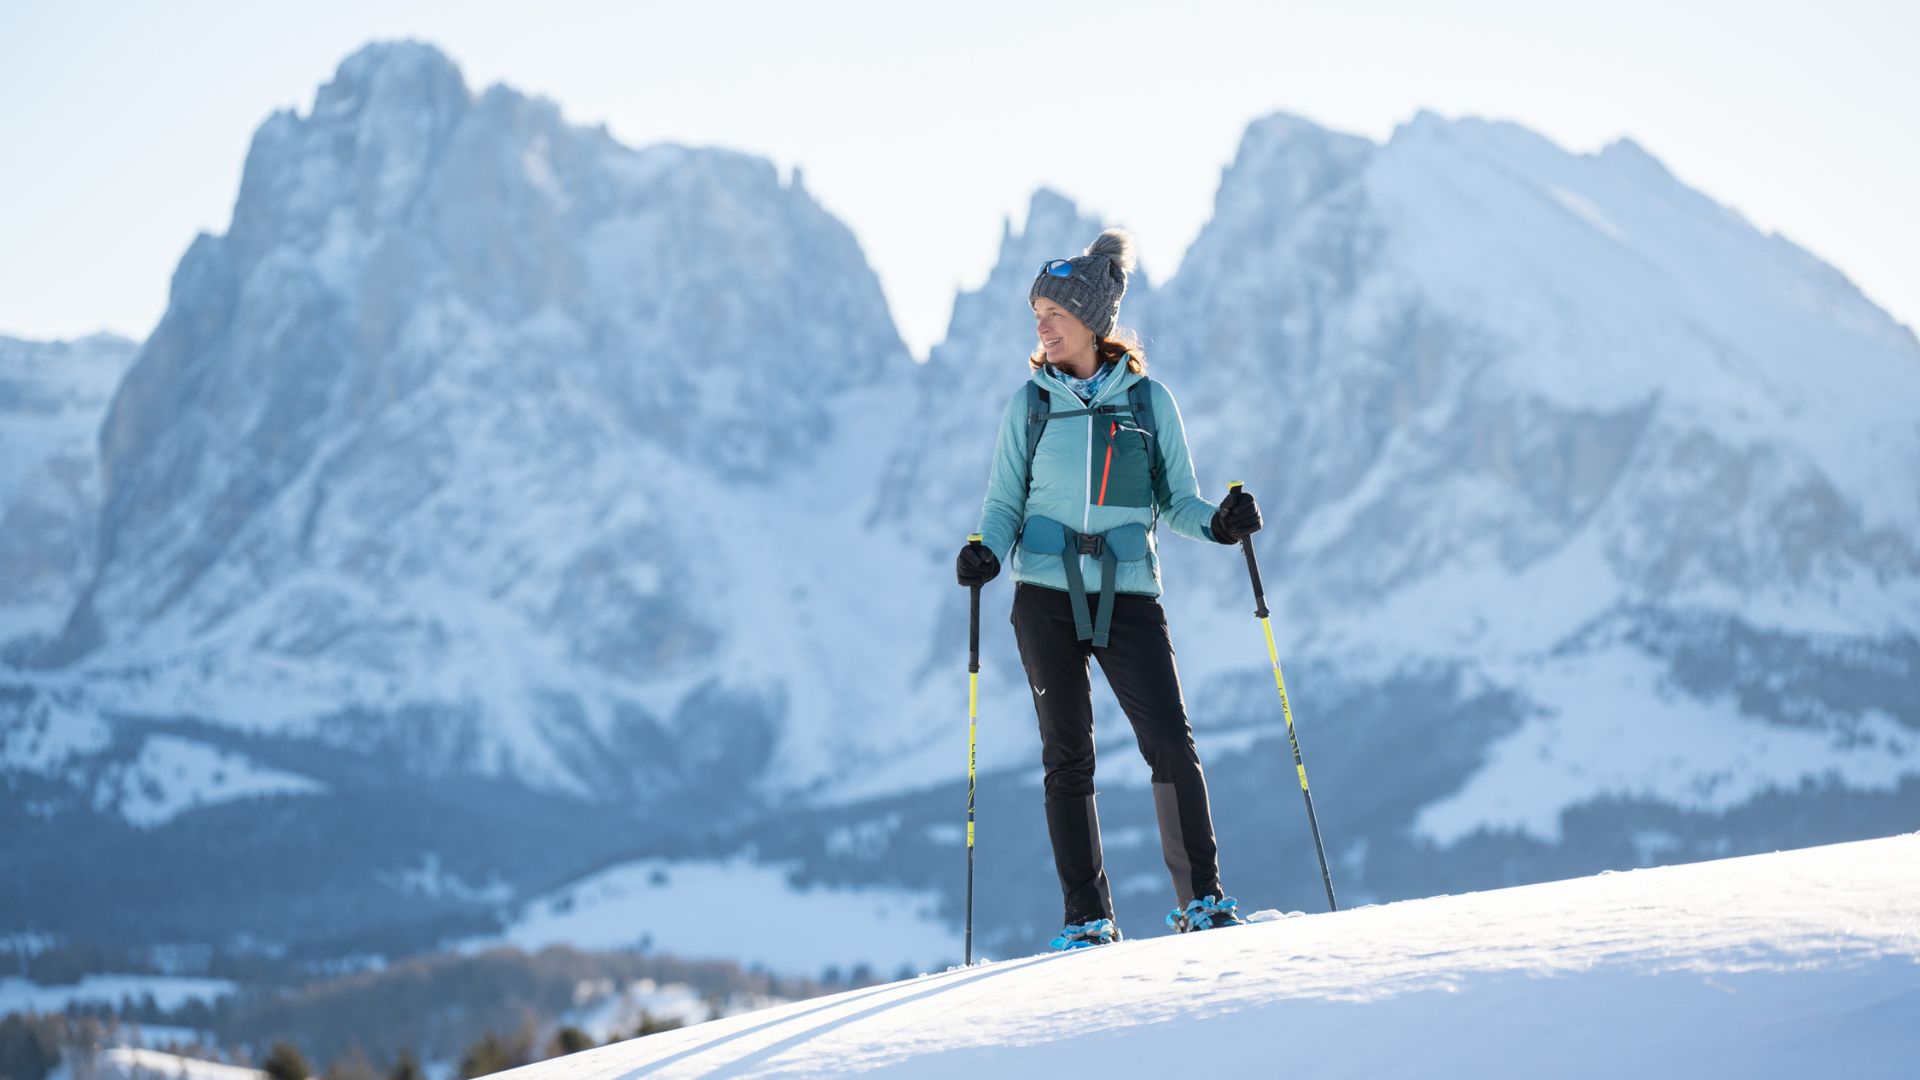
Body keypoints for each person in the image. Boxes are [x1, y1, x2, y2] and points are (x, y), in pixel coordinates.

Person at [955, 228, 1264, 950]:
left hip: (1129, 593)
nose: (1041, 326)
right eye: (1036, 314)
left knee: (1170, 742)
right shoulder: (1029, 406)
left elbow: (1178, 501)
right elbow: (1002, 504)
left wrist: (1221, 524)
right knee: (1068, 757)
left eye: (1053, 314)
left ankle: (1205, 900)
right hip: (1043, 596)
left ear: (1091, 320)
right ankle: (1088, 918)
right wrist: (984, 553)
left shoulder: (1150, 404)